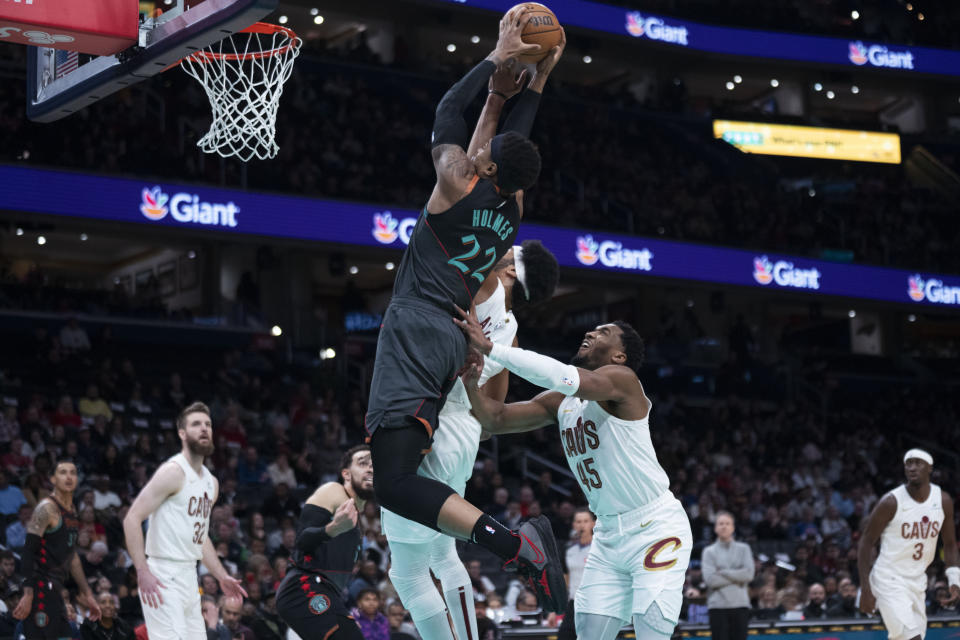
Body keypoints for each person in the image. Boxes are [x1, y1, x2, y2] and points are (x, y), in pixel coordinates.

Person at [363, 5, 568, 614]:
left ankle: (514, 547)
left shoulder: (456, 182)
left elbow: (446, 114)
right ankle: (512, 548)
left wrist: (496, 61)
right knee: (407, 496)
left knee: (395, 483)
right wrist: (538, 79)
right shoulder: (511, 212)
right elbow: (515, 145)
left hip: (417, 323)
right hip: (452, 337)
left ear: (488, 166)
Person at [458, 317, 692, 640]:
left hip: (656, 526)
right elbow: (496, 419)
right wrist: (471, 385)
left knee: (651, 627)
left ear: (619, 356)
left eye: (604, 333)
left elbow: (562, 375)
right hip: (608, 534)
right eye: (593, 329)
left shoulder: (623, 381)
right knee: (588, 633)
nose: (591, 332)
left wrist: (492, 349)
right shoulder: (562, 402)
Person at [381, 228, 559, 640]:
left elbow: (468, 239)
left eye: (510, 253)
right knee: (443, 553)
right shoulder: (510, 333)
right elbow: (492, 410)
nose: (502, 252)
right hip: (464, 432)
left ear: (512, 270)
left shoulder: (487, 281)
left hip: (432, 418)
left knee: (406, 572)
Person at [122, 402, 246, 639]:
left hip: (190, 575)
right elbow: (131, 519)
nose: (204, 429)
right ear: (182, 433)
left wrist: (221, 576)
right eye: (196, 424)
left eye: (208, 424)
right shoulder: (173, 472)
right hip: (162, 573)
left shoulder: (211, 483)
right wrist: (142, 571)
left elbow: (199, 538)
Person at [858, 449, 960, 638]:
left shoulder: (943, 500)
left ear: (929, 468)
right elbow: (866, 541)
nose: (912, 468)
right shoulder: (890, 502)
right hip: (889, 579)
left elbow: (950, 543)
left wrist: (954, 580)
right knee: (910, 637)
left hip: (917, 580)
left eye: (918, 463)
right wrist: (865, 588)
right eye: (908, 463)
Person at [276, 445, 374, 640]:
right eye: (363, 464)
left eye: (374, 466)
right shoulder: (334, 491)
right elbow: (302, 541)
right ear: (346, 474)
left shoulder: (357, 521)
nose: (371, 469)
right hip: (303, 586)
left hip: (325, 592)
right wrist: (333, 528)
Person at [12, 459, 102, 639]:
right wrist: (28, 594)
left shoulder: (72, 511)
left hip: (57, 591)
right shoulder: (45, 509)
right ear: (53, 479)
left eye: (72, 472)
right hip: (39, 590)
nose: (68, 477)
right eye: (63, 472)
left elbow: (73, 557)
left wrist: (88, 594)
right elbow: (28, 551)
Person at [702, 512, 754, 640]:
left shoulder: (744, 549)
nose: (724, 527)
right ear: (715, 528)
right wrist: (737, 575)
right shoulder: (708, 552)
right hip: (717, 606)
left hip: (740, 605)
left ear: (733, 527)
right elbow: (711, 580)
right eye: (721, 524)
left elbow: (748, 575)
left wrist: (723, 572)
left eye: (727, 524)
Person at [557, 508, 595, 640]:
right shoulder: (568, 549)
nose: (582, 525)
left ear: (593, 524)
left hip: (594, 604)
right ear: (574, 525)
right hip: (573, 603)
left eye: (585, 521)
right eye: (578, 521)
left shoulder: (600, 548)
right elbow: (565, 577)